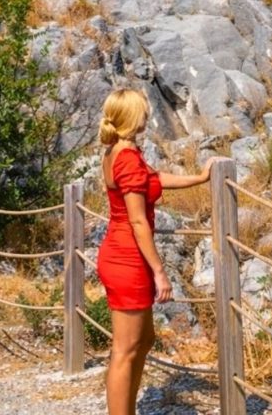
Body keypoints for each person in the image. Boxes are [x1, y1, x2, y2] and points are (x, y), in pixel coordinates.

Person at [96, 87, 216, 415]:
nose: (148, 114)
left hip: (123, 255)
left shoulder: (117, 151)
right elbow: (137, 220)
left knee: (143, 340)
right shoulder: (126, 156)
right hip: (127, 258)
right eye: (144, 110)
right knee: (125, 350)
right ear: (134, 116)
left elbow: (153, 178)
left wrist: (200, 178)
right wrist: (159, 271)